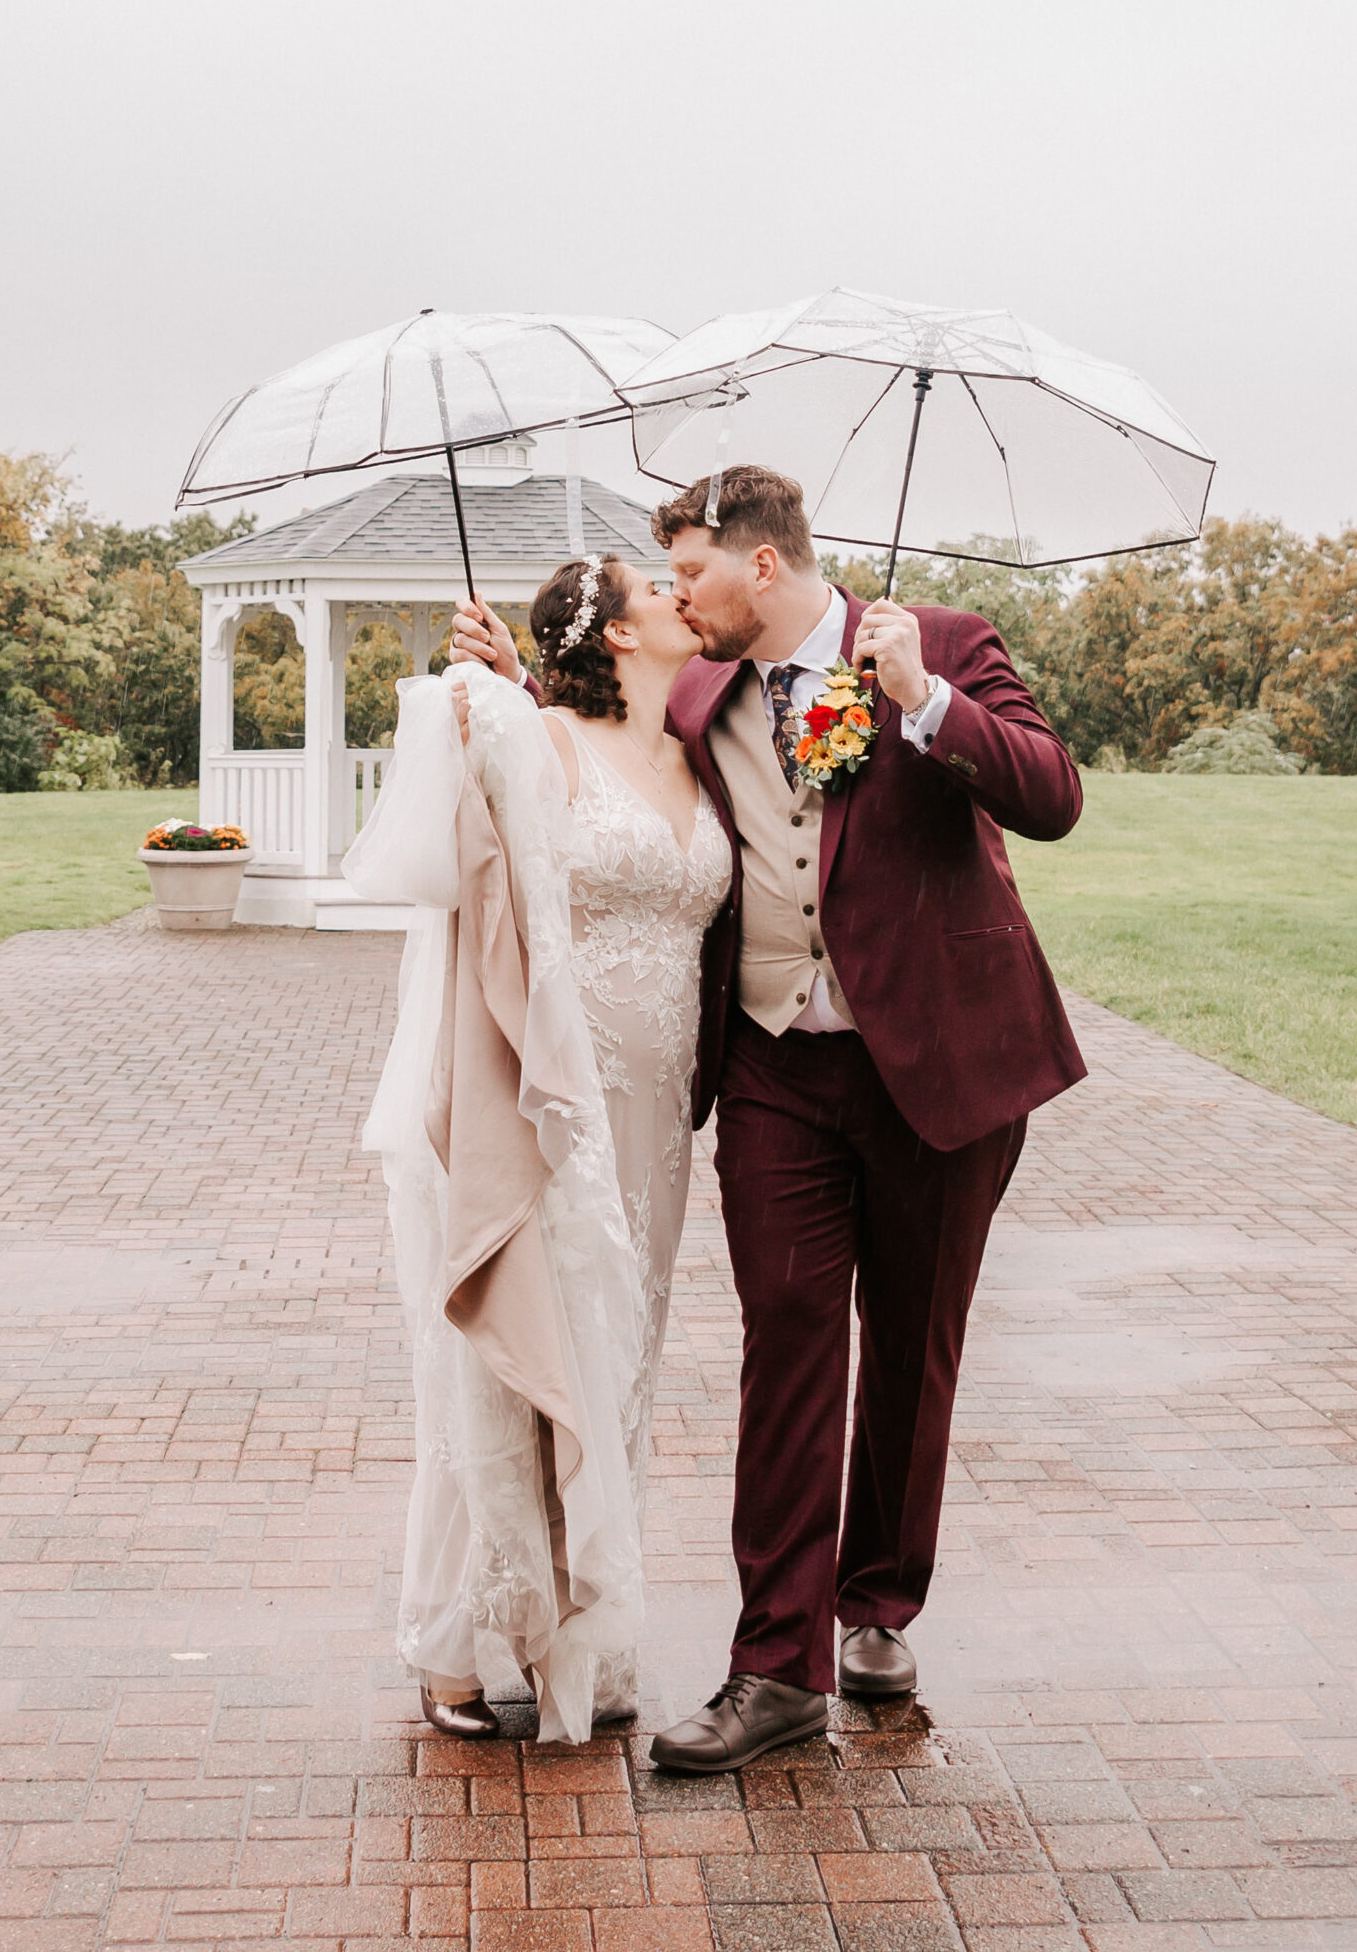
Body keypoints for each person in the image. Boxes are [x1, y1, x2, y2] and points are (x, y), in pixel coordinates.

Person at [452, 465, 1085, 1772]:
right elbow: (608, 764)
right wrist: (515, 688)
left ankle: (878, 1607)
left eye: (690, 570)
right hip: (776, 1066)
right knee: (788, 1344)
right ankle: (773, 1662)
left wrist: (924, 701)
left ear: (762, 561)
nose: (679, 597)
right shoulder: (701, 692)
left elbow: (1052, 793)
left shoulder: (944, 643)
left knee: (912, 1347)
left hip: (940, 1062)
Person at [359, 554, 728, 1742]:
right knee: (508, 1350)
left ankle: (588, 1626)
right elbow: (474, 876)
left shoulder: (693, 749)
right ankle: (456, 1638)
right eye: (657, 588)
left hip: (659, 1114)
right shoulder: (538, 741)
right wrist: (484, 701)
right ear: (616, 632)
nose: (683, 595)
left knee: (619, 1350)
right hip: (547, 1099)